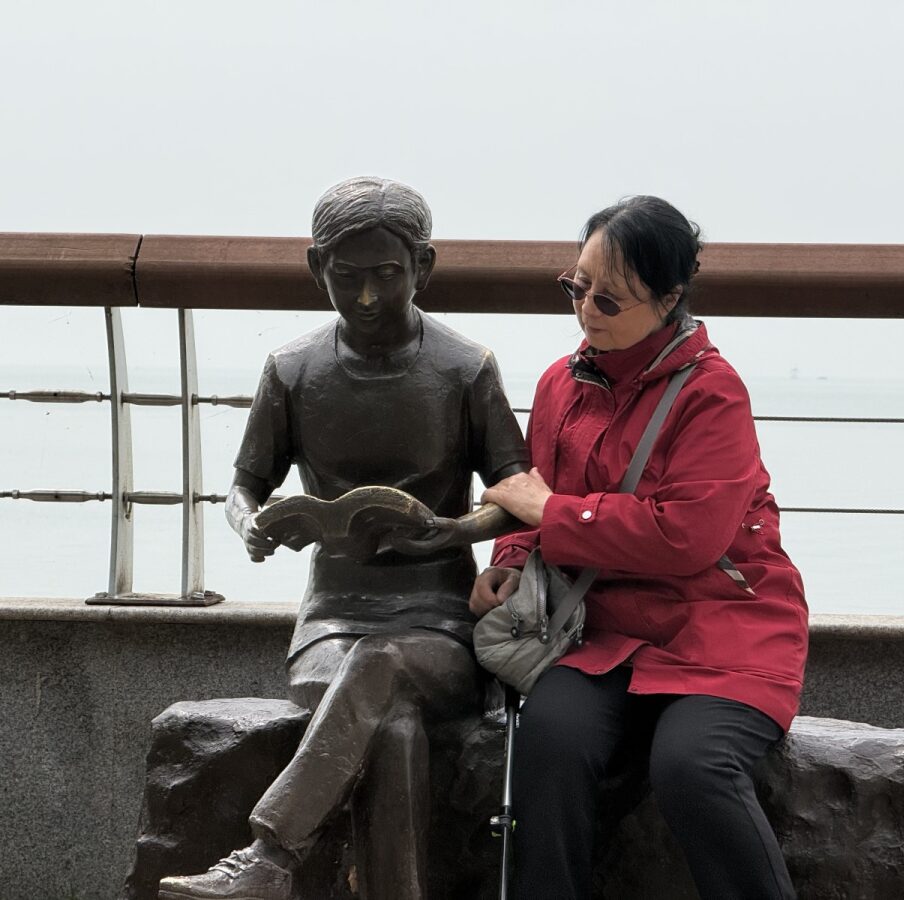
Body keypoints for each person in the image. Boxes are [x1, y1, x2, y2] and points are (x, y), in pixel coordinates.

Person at [158, 176, 529, 900]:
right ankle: (278, 867)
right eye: (346, 276)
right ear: (314, 267)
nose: (365, 298)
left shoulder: (465, 367)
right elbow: (243, 487)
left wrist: (454, 528)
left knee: (382, 665)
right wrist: (252, 525)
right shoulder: (293, 369)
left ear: (422, 266)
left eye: (386, 276)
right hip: (332, 621)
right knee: (390, 727)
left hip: (441, 625)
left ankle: (269, 856)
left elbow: (517, 495)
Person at [467, 196, 809, 899]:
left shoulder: (713, 393)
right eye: (577, 287)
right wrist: (510, 563)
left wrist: (551, 513)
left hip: (722, 632)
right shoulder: (560, 384)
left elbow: (687, 537)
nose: (586, 310)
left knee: (693, 766)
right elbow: (533, 500)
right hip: (602, 632)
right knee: (550, 741)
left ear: (669, 298)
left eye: (609, 299)